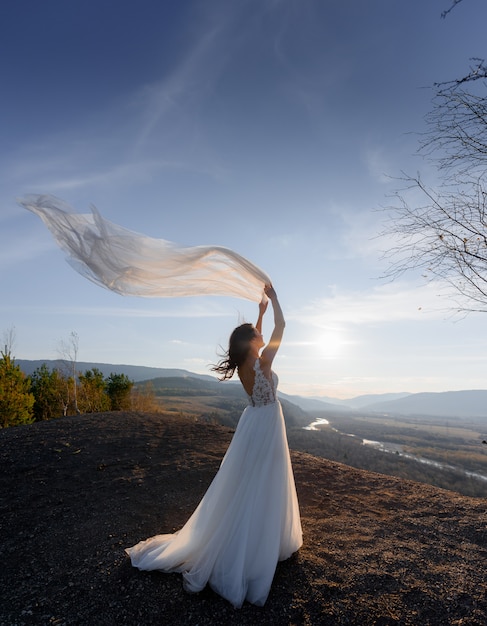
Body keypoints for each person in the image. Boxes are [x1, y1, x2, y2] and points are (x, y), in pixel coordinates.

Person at [125, 284, 302, 608]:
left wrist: (259, 314)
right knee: (266, 479)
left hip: (254, 422)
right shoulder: (262, 363)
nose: (260, 336)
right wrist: (275, 299)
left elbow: (261, 334)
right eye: (255, 334)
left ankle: (255, 537)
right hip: (266, 425)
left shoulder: (247, 365)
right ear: (252, 344)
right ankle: (258, 544)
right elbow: (282, 328)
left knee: (251, 481)